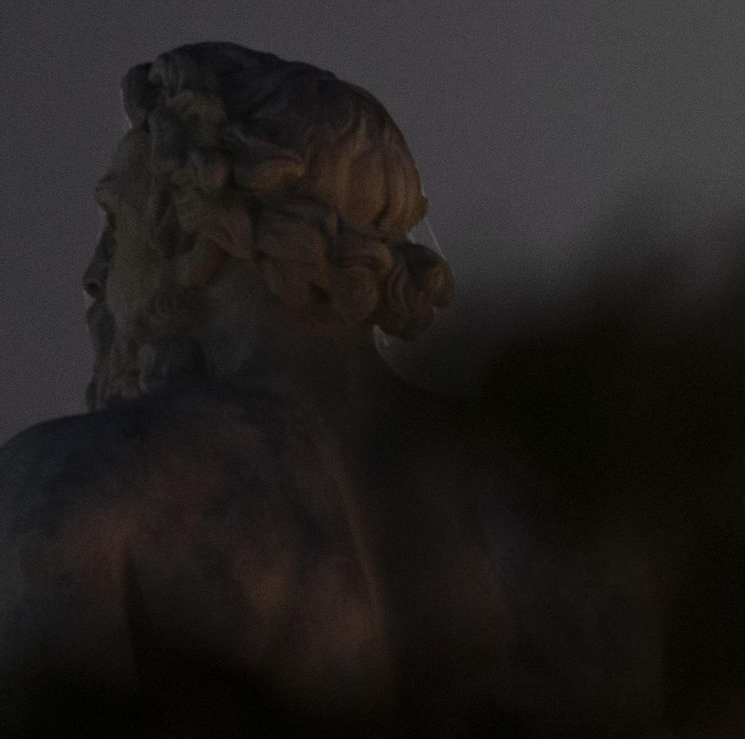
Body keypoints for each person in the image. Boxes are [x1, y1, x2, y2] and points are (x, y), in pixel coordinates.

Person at [0, 43, 664, 735]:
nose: (94, 272)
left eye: (116, 220)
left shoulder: (74, 482)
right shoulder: (554, 498)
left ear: (201, 231)